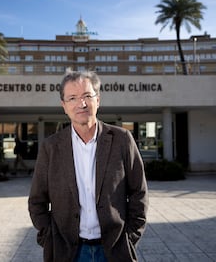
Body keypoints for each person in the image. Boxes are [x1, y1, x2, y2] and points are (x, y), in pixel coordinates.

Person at [28, 70, 149, 262]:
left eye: (87, 96)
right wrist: (49, 238)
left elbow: (138, 192)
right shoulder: (51, 147)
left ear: (98, 100)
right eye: (73, 98)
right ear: (64, 106)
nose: (81, 104)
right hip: (68, 252)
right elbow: (36, 201)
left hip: (114, 250)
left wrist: (130, 236)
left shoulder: (122, 140)